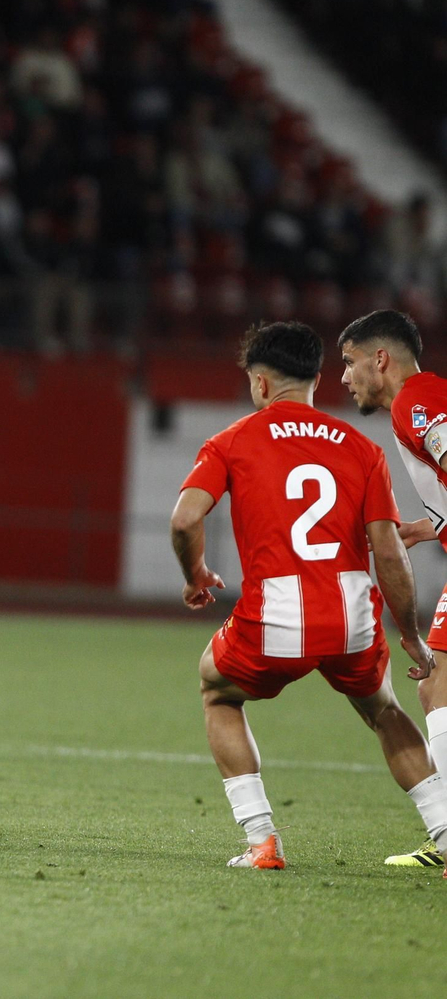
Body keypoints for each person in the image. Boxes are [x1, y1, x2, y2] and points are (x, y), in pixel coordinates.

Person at [170, 321, 447, 871]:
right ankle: (443, 829)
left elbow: (184, 521)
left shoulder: (233, 440)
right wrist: (410, 634)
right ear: (316, 380)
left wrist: (196, 573)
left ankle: (262, 842)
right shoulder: (360, 446)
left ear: (261, 384)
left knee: (217, 690)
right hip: (352, 619)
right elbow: (388, 555)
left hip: (273, 615)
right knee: (387, 709)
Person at [338, 309, 447, 868]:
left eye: (350, 362)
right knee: (435, 689)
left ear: (381, 359)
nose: (344, 377)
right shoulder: (422, 398)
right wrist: (434, 525)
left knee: (438, 687)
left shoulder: (416, 399)